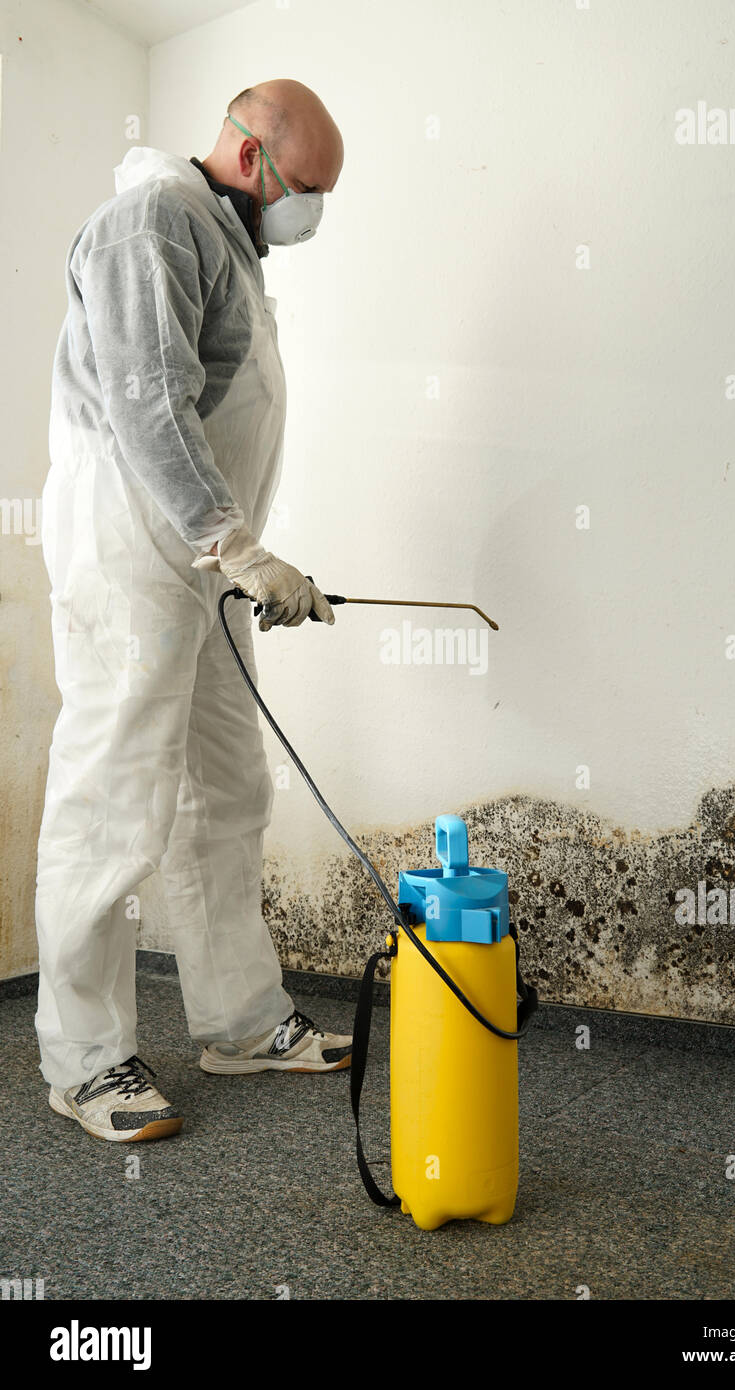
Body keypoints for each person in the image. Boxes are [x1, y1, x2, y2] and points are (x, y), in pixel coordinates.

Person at [35, 80, 349, 1143]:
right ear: (253, 155)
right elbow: (141, 400)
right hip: (133, 542)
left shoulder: (228, 241)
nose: (312, 214)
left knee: (229, 785)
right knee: (115, 792)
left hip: (203, 558)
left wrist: (236, 556)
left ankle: (240, 1018)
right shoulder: (152, 220)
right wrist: (236, 543)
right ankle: (83, 1059)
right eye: (307, 188)